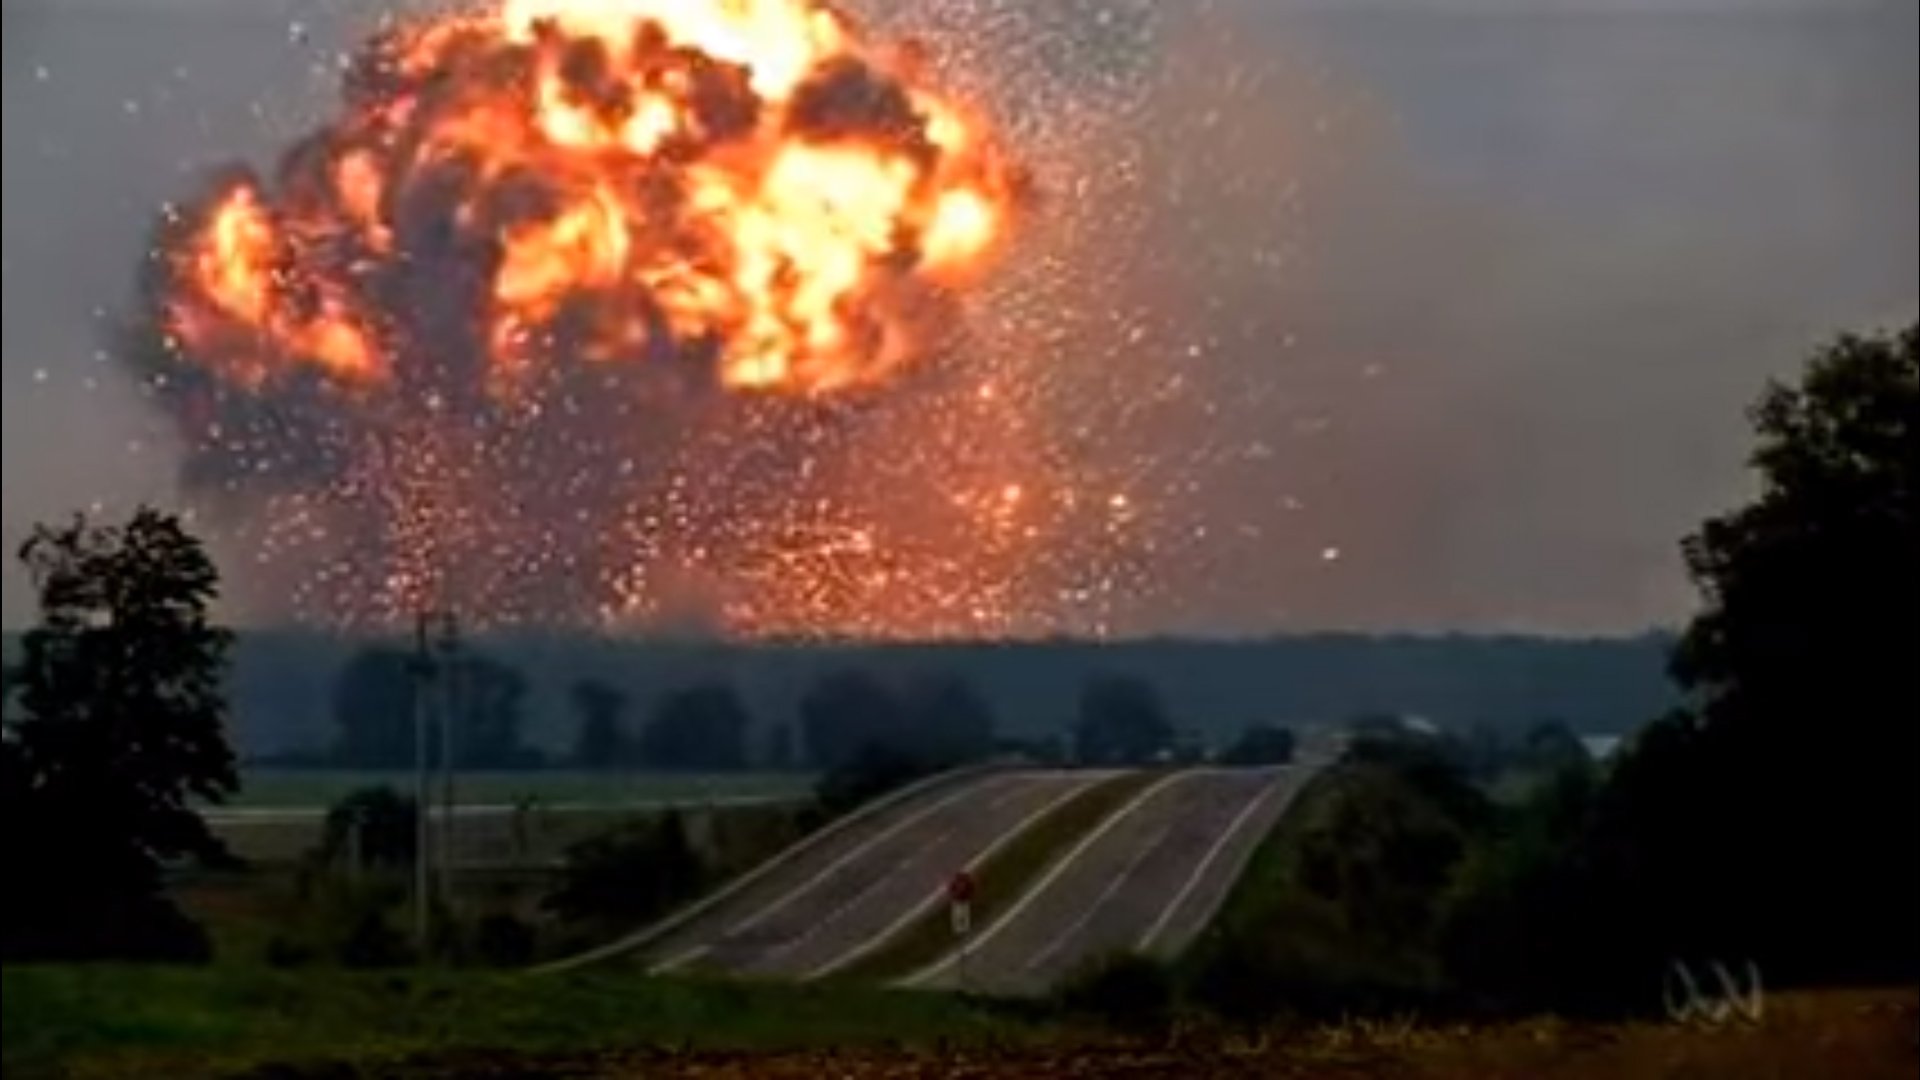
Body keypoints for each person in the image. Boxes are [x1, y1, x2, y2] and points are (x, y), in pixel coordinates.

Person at [947, 868, 976, 936]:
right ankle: (959, 929)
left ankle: (963, 929)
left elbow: (971, 889)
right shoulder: (958, 883)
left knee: (963, 914)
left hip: (962, 901)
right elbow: (951, 890)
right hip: (958, 901)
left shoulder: (967, 883)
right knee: (959, 915)